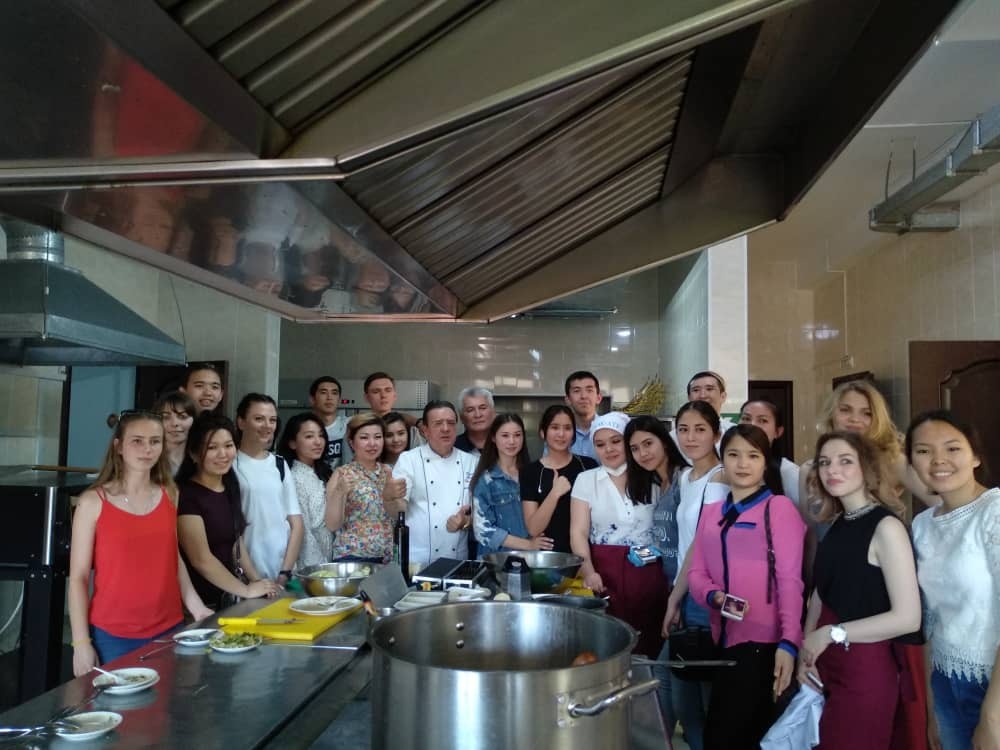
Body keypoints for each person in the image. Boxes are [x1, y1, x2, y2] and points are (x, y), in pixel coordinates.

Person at [797, 431, 922, 749]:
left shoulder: (886, 527)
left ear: (866, 468)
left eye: (845, 461)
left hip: (866, 669)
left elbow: (908, 618)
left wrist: (830, 634)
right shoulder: (837, 523)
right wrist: (807, 651)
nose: (832, 470)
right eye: (824, 462)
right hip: (829, 664)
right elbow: (821, 592)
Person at [688, 424, 805, 749]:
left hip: (763, 644)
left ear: (766, 462)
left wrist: (789, 643)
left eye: (753, 456)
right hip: (722, 639)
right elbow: (696, 572)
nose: (742, 464)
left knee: (743, 736)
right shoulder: (712, 512)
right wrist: (714, 596)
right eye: (734, 455)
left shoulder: (778, 509)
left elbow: (790, 580)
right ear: (722, 459)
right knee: (721, 734)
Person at [68, 411, 213, 673]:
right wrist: (80, 643)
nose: (147, 449)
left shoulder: (170, 493)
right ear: (118, 446)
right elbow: (78, 577)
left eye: (155, 441)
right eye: (137, 441)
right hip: (113, 635)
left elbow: (172, 557)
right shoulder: (92, 502)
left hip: (169, 626)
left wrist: (196, 606)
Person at [906, 410, 999, 750]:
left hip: (993, 687)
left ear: (975, 457)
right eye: (923, 451)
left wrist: (992, 716)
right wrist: (932, 707)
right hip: (945, 683)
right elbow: (930, 620)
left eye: (952, 448)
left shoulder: (994, 511)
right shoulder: (922, 525)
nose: (938, 460)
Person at [570, 412, 666, 657]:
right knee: (609, 640)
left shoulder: (652, 476)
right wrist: (588, 571)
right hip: (604, 571)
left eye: (616, 441)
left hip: (649, 570)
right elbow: (578, 531)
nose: (609, 449)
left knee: (648, 639)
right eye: (600, 444)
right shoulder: (586, 479)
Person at [663, 401, 729, 750]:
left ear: (716, 434)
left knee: (702, 695)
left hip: (705, 594)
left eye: (700, 429)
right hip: (686, 587)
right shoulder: (687, 476)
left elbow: (701, 543)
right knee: (681, 693)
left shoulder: (719, 478)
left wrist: (675, 598)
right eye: (683, 430)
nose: (689, 438)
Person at [625, 414, 690, 731]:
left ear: (665, 441)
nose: (643, 453)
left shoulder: (684, 479)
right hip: (671, 586)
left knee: (677, 682)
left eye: (648, 443)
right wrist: (645, 554)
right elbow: (668, 542)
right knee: (664, 675)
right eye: (635, 448)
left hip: (689, 591)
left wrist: (679, 596)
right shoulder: (658, 484)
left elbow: (693, 541)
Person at [177, 414, 280, 610]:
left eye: (228, 445)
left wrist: (258, 582)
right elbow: (201, 559)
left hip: (229, 598)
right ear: (193, 454)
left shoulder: (230, 484)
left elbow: (235, 542)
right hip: (201, 606)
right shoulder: (186, 496)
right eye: (212, 448)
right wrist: (246, 590)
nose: (223, 454)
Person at [385, 400, 478, 568]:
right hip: (417, 561)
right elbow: (397, 511)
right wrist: (390, 497)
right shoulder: (409, 460)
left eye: (451, 423)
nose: (446, 428)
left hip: (457, 561)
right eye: (438, 423)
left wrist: (466, 521)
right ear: (425, 431)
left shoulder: (471, 462)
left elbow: (481, 513)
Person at [235, 394, 304, 585]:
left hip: (282, 571)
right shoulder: (229, 464)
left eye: (272, 420)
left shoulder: (279, 464)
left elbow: (296, 523)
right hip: (246, 574)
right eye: (259, 419)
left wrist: (285, 572)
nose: (267, 426)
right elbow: (230, 532)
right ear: (241, 422)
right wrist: (255, 579)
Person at [472, 414, 553, 557]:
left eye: (517, 435)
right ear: (493, 438)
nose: (512, 441)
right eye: (505, 435)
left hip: (533, 559)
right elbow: (482, 530)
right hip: (496, 560)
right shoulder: (486, 480)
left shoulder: (534, 474)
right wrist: (528, 545)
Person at [521, 405, 598, 554]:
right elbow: (533, 528)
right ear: (543, 432)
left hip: (587, 553)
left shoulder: (588, 466)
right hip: (550, 557)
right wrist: (555, 493)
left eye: (567, 428)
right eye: (555, 427)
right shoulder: (530, 472)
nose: (561, 434)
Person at [325, 413, 393, 563]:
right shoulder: (342, 474)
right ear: (351, 442)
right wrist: (339, 492)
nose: (372, 443)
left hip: (386, 558)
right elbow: (332, 524)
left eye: (377, 437)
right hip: (353, 557)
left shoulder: (388, 472)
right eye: (364, 438)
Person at [278, 413, 336, 568]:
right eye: (309, 436)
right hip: (311, 558)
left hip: (329, 550)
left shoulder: (323, 472)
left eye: (321, 435)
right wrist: (317, 569)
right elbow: (303, 531)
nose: (318, 442)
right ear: (292, 443)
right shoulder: (295, 478)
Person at [739, 399, 799, 506]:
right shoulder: (725, 467)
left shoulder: (788, 471)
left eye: (762, 420)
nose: (752, 425)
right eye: (746, 418)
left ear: (778, 432)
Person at [670, 371, 737, 455]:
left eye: (709, 389)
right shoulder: (672, 438)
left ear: (723, 396)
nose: (702, 395)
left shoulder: (735, 433)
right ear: (689, 398)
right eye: (696, 390)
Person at [363, 371, 422, 446]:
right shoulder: (355, 426)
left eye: (388, 390)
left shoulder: (411, 430)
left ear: (394, 396)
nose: (383, 395)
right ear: (367, 397)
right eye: (376, 391)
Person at [309, 376, 352, 469]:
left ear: (339, 400)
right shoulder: (305, 428)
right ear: (312, 399)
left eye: (334, 393)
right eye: (323, 393)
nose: (329, 397)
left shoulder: (350, 424)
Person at [152, 390, 196, 476]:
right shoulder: (148, 457)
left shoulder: (200, 460)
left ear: (193, 420)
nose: (175, 423)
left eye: (182, 417)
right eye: (166, 417)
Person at [563, 371, 603, 461]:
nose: (583, 396)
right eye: (577, 391)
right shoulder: (560, 433)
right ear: (568, 400)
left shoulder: (611, 431)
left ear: (598, 398)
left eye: (589, 390)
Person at [455, 387, 497, 455]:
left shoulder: (506, 444)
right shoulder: (452, 447)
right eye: (470, 410)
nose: (478, 415)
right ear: (461, 418)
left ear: (493, 413)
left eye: (482, 408)